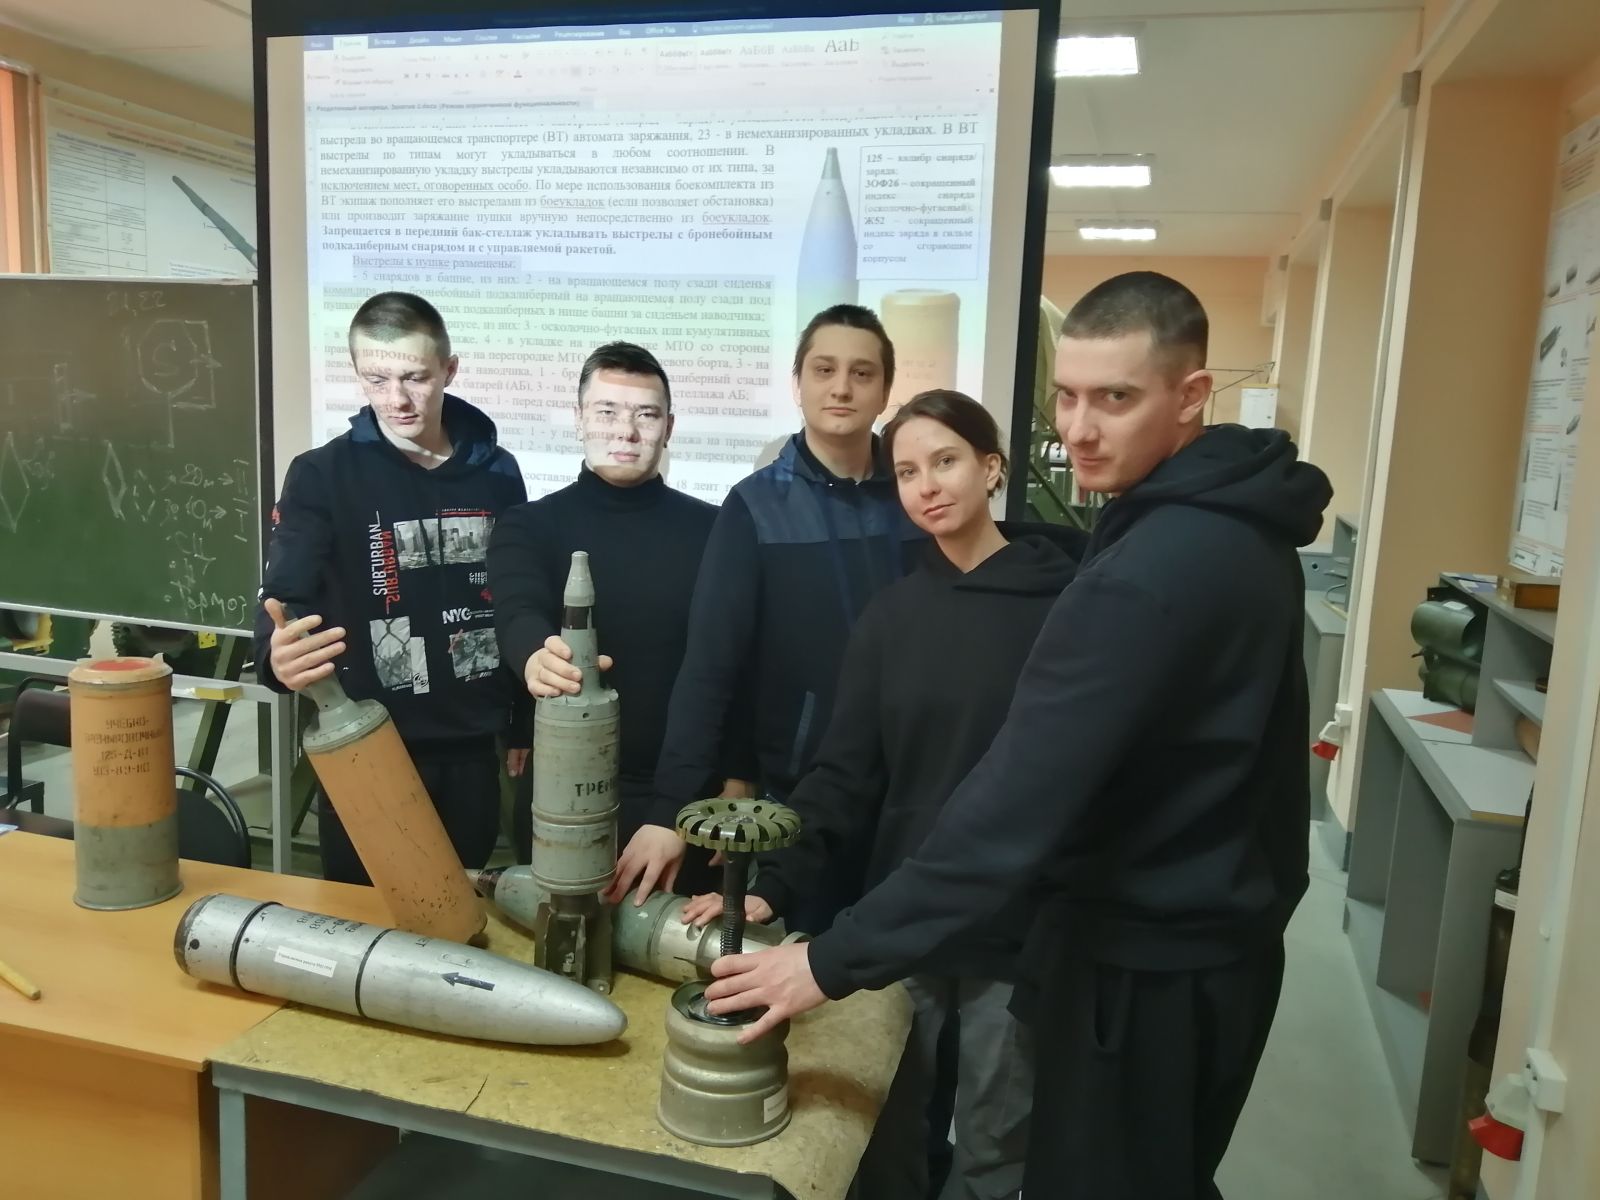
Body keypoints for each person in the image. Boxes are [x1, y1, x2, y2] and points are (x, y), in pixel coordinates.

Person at [702, 272, 1334, 1200]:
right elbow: (850, 772)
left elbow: (1014, 804)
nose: (1079, 429)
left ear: (1192, 395)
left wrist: (829, 960)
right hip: (1200, 941)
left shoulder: (1137, 573)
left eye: (1115, 398)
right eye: (1067, 397)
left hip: (1138, 960)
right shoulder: (1234, 529)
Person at [683, 390, 1084, 1200]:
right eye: (906, 471)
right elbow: (845, 772)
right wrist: (774, 884)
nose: (926, 485)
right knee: (892, 1130)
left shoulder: (1066, 606)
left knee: (996, 1145)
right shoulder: (892, 617)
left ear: (992, 468)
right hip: (906, 918)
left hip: (1019, 925)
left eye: (946, 461)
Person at [609, 304, 924, 919]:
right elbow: (712, 664)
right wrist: (673, 807)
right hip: (804, 798)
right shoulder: (755, 507)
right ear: (797, 383)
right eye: (824, 369)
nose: (841, 387)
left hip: (914, 789)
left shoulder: (919, 495)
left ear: (886, 389)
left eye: (862, 373)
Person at [256, 292, 529, 882]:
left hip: (473, 744)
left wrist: (523, 719)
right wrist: (273, 654)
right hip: (367, 743)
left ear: (449, 370)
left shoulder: (498, 472)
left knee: (462, 905)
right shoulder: (321, 474)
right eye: (376, 380)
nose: (397, 399)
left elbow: (518, 597)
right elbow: (284, 593)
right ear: (357, 373)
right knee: (364, 913)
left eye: (415, 378)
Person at [487, 341, 751, 887]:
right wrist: (536, 655)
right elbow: (517, 609)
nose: (626, 432)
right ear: (579, 418)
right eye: (607, 411)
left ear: (668, 427)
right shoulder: (529, 525)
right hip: (562, 792)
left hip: (687, 798)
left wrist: (740, 773)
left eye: (645, 415)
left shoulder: (716, 530)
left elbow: (737, 662)